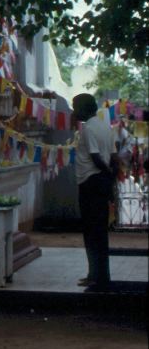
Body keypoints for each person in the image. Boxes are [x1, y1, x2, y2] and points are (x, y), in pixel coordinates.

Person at [72, 93, 119, 291]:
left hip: (90, 181)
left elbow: (96, 157)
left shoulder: (88, 128)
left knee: (91, 232)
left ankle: (95, 276)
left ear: (84, 109)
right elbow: (114, 156)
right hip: (101, 182)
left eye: (76, 107)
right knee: (100, 232)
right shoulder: (105, 126)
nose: (74, 112)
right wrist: (112, 178)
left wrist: (106, 173)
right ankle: (101, 275)